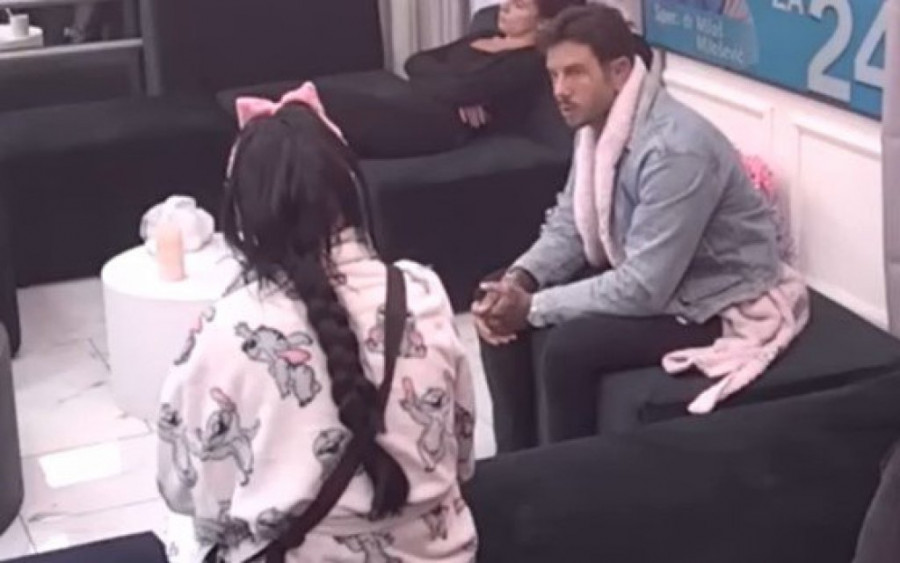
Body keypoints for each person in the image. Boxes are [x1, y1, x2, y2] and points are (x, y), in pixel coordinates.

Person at [156, 94, 478, 562]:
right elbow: (462, 454)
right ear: (350, 193)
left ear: (243, 211)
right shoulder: (422, 291)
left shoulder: (225, 328)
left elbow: (183, 489)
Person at [473, 4, 806, 452]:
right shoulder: (594, 127)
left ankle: (569, 479)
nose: (560, 90)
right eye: (553, 75)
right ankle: (518, 460)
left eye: (575, 73)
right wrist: (519, 281)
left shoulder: (674, 149)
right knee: (495, 291)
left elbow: (646, 287)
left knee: (570, 347)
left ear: (619, 72)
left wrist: (533, 307)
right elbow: (569, 225)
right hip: (654, 272)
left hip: (713, 296)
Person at [234, 0, 586, 159]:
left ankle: (265, 142)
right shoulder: (484, 35)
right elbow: (416, 62)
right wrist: (456, 90)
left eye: (520, 5)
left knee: (322, 101)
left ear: (544, 23)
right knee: (314, 94)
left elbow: (460, 86)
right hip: (415, 101)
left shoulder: (528, 60)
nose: (505, 6)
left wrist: (454, 87)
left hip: (437, 127)